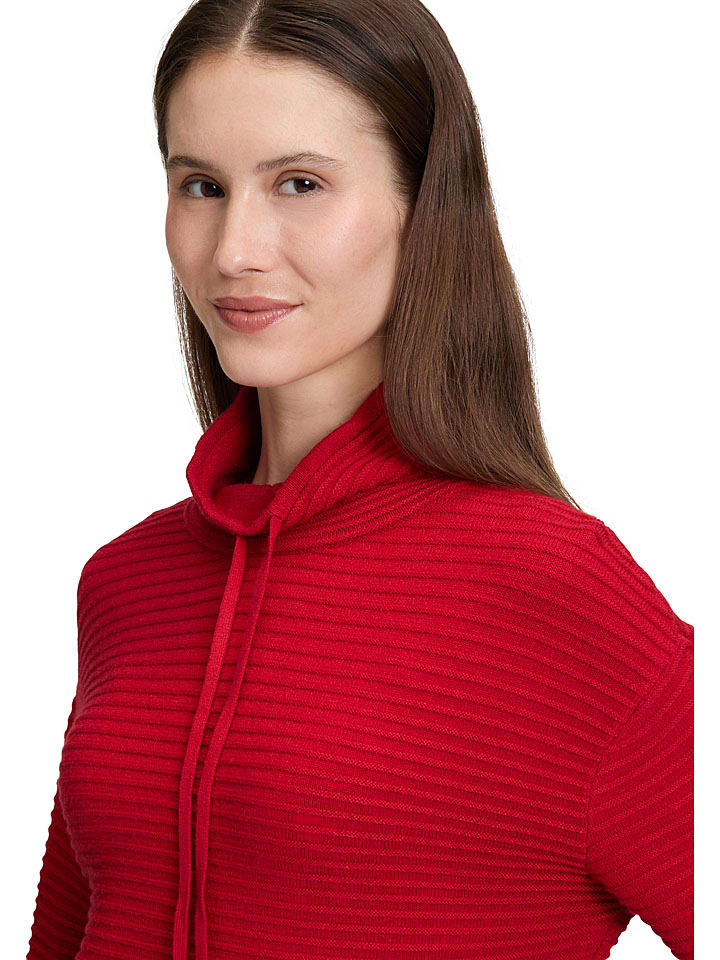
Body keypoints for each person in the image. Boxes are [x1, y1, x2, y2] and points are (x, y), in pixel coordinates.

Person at [26, 1, 693, 959]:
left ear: (424, 205)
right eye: (201, 186)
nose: (234, 249)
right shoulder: (128, 583)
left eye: (299, 183)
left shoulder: (552, 586)